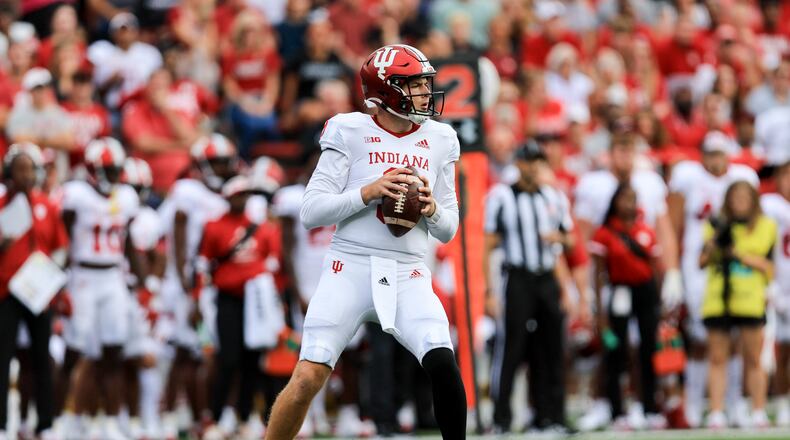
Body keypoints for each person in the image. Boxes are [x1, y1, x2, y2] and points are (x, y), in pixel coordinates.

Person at [265, 44, 466, 439]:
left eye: (426, 83)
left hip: (409, 272)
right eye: (415, 85)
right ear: (387, 90)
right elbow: (311, 211)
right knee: (308, 376)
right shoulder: (349, 130)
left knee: (443, 362)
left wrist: (431, 210)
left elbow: (448, 229)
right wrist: (368, 192)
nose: (426, 92)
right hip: (349, 267)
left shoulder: (441, 138)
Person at [667, 131, 759, 427]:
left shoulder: (742, 179)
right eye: (710, 153)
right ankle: (694, 403)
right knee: (700, 337)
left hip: (733, 268)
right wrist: (672, 269)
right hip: (698, 266)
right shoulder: (688, 178)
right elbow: (673, 225)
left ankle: (733, 403)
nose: (715, 160)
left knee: (734, 338)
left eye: (720, 153)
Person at [484, 140, 575, 433]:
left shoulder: (553, 197)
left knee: (551, 348)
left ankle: (552, 417)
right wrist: (489, 291)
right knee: (511, 348)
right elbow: (488, 245)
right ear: (518, 163)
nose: (533, 166)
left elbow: (570, 239)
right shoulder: (501, 196)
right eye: (528, 160)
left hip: (546, 278)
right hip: (518, 278)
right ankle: (501, 420)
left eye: (538, 161)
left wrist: (558, 240)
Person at [60, 137, 142, 440]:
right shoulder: (76, 195)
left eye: (116, 170)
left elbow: (128, 241)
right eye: (108, 170)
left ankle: (110, 421)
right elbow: (62, 236)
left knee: (114, 352)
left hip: (112, 277)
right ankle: (60, 419)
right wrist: (58, 280)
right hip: (82, 276)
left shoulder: (127, 196)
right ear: (93, 169)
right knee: (74, 352)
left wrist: (143, 281)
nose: (113, 176)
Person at [156, 133, 236, 437]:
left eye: (225, 162)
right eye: (217, 162)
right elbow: (176, 240)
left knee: (206, 351)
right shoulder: (187, 191)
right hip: (187, 282)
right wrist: (186, 286)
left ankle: (200, 414)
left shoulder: (230, 192)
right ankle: (170, 413)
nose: (222, 168)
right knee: (184, 351)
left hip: (212, 282)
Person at [197, 175, 282, 439]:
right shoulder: (214, 226)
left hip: (255, 301)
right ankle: (217, 416)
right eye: (238, 195)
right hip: (228, 298)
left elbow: (273, 260)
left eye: (245, 194)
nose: (242, 199)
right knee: (228, 359)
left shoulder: (262, 227)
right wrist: (199, 298)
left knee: (252, 359)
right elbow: (203, 265)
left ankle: (245, 416)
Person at [0, 143, 68, 440]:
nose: (26, 176)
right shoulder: (1, 206)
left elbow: (60, 247)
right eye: (20, 169)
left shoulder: (47, 206)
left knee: (42, 358)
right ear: (9, 172)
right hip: (6, 290)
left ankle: (45, 424)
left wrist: (52, 275)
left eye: (30, 170)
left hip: (39, 291)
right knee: (2, 358)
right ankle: (2, 424)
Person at [699, 180, 776, 429]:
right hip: (719, 298)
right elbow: (702, 261)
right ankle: (717, 412)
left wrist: (736, 253)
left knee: (753, 357)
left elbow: (768, 265)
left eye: (745, 197)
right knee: (717, 357)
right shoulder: (716, 225)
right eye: (735, 197)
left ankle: (758, 411)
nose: (740, 202)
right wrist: (716, 240)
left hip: (750, 298)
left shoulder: (765, 226)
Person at [589, 183, 664, 429]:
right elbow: (599, 274)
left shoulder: (645, 230)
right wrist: (600, 311)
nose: (628, 204)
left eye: (632, 198)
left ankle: (649, 408)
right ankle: (617, 410)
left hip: (645, 292)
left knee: (648, 349)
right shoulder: (605, 233)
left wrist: (660, 301)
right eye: (624, 198)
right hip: (619, 290)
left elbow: (655, 268)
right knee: (616, 351)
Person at [762, 161, 790, 426]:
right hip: (780, 287)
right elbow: (763, 246)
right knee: (781, 351)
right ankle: (782, 403)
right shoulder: (770, 206)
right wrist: (768, 285)